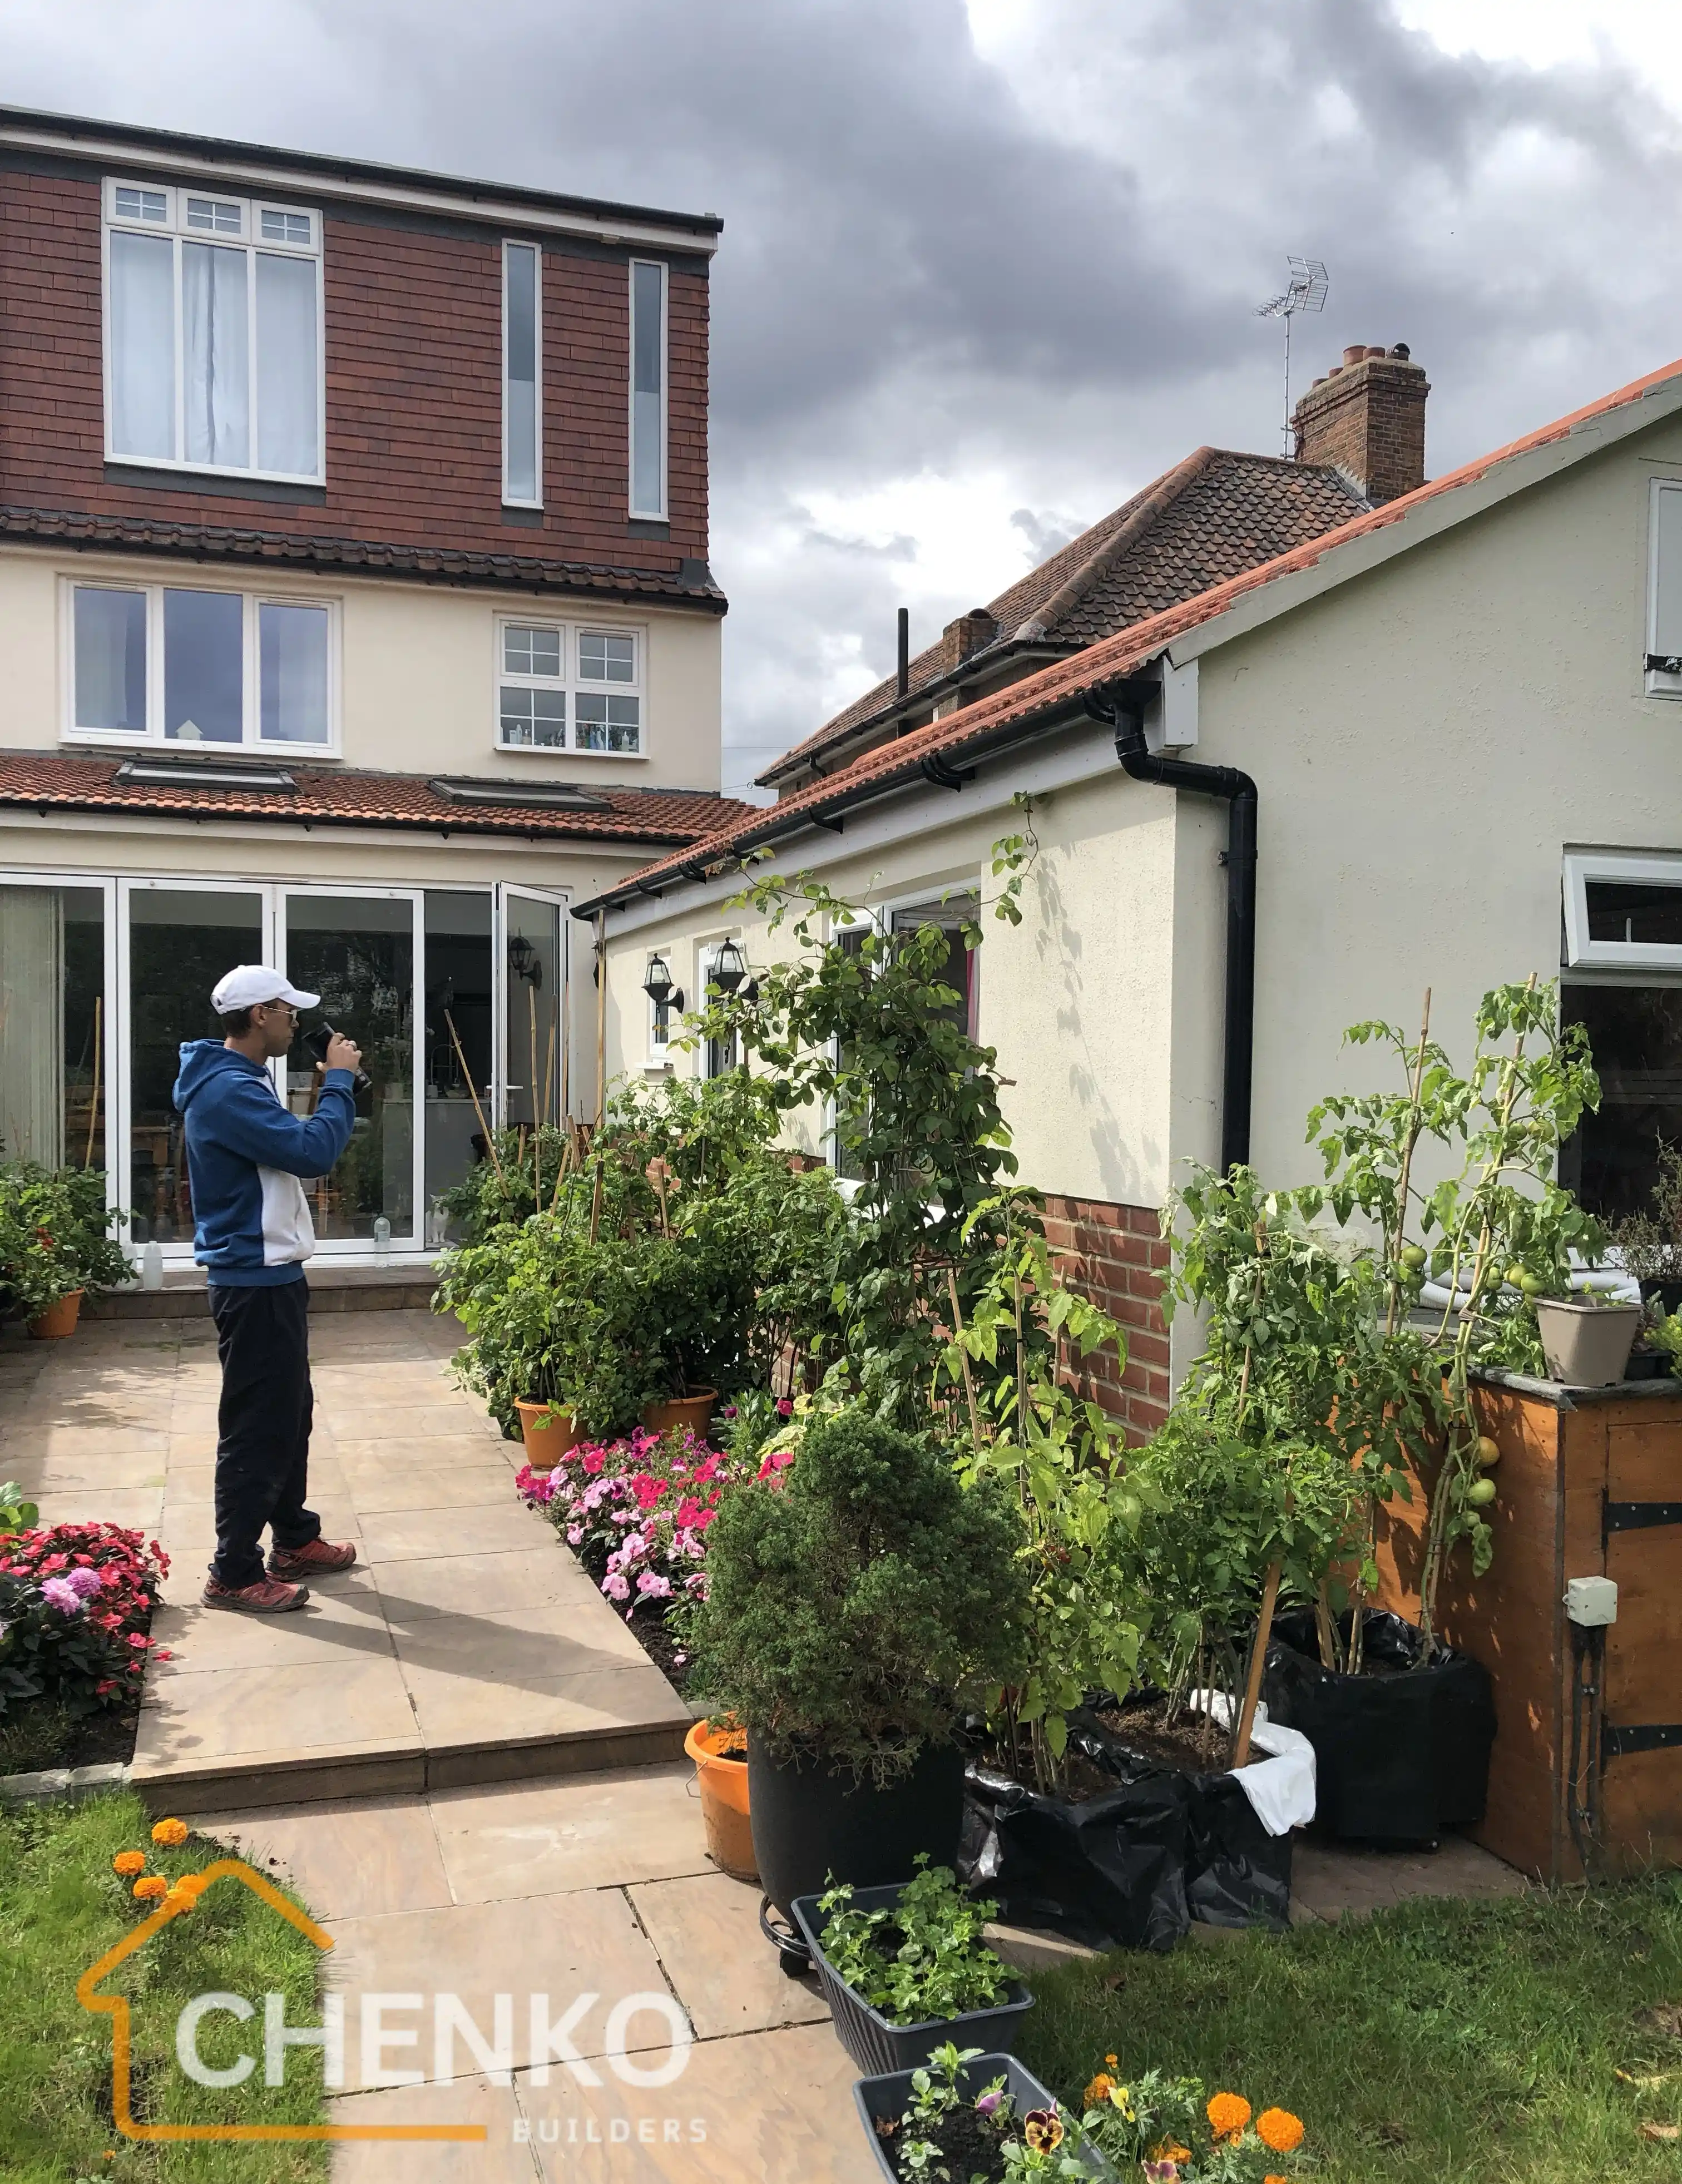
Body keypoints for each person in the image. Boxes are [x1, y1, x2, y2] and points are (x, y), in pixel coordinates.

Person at [172, 967, 364, 1615]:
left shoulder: (241, 1084)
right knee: (258, 1427)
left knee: (289, 1414)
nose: (296, 1024)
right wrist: (338, 1079)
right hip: (252, 1284)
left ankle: (294, 1539)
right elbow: (313, 1154)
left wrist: (324, 1088)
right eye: (289, 1012)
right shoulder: (228, 1092)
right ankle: (232, 1571)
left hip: (271, 1278)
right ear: (261, 1015)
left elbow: (289, 1151)